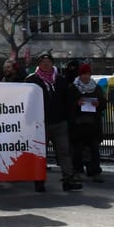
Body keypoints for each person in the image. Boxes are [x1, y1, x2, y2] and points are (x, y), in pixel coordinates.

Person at [25, 52, 80, 191]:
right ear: (39, 64)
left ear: (52, 63)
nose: (46, 64)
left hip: (59, 122)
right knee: (40, 153)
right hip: (40, 124)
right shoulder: (31, 80)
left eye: (48, 61)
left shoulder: (60, 80)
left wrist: (69, 119)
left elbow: (68, 101)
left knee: (64, 152)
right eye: (43, 62)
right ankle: (39, 181)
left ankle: (68, 180)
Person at [68, 63, 105, 183]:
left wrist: (98, 104)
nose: (86, 76)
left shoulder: (96, 87)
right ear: (80, 75)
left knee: (94, 149)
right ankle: (77, 171)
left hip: (92, 124)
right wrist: (76, 104)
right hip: (78, 125)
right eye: (84, 74)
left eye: (88, 74)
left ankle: (94, 171)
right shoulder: (73, 88)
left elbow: (103, 102)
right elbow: (67, 105)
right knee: (77, 150)